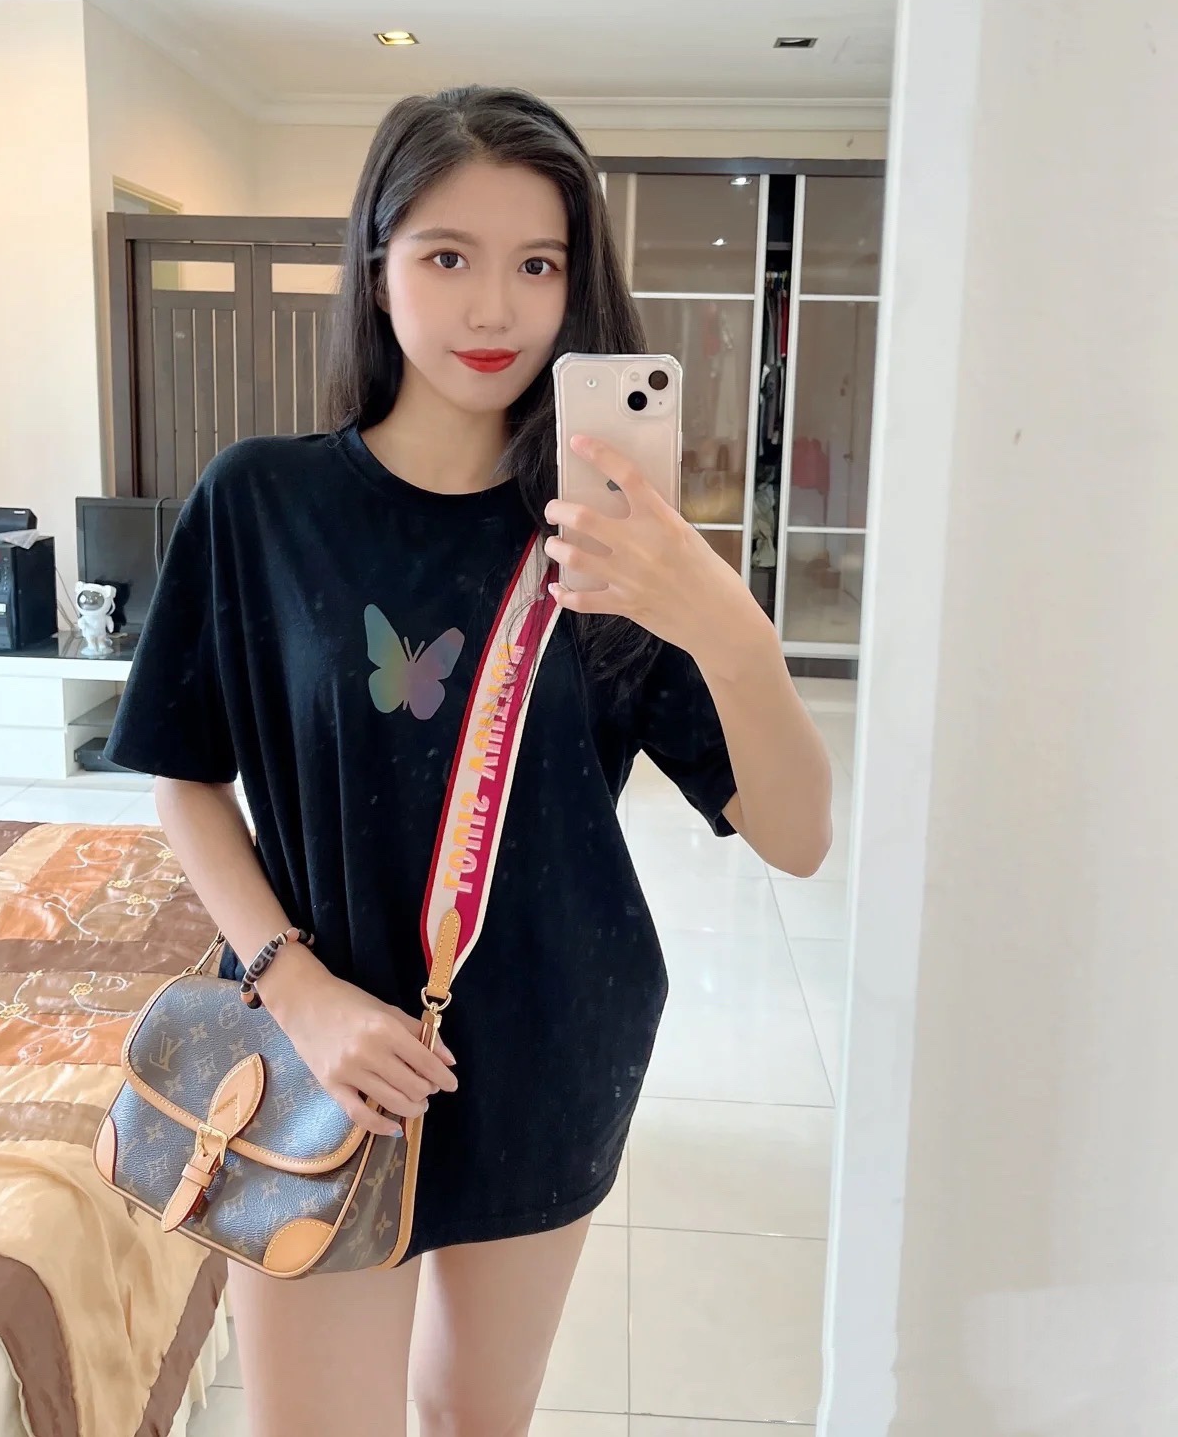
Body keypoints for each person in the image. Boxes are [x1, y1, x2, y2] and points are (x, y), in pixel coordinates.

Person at [105, 85, 833, 1437]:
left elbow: (797, 835)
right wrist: (296, 989)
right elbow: (184, 777)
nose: (495, 307)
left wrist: (724, 621)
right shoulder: (262, 502)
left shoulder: (606, 542)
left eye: (539, 264)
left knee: (473, 1421)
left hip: (552, 1047)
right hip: (318, 1052)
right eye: (448, 255)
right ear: (377, 263)